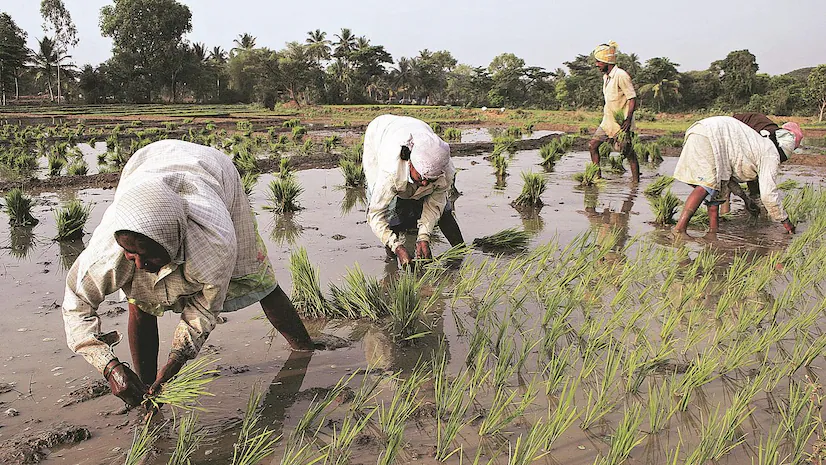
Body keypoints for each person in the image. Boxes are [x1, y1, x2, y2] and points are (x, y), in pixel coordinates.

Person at [62, 140, 317, 409]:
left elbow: (204, 311)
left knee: (256, 277)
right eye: (130, 253)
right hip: (145, 170)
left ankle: (305, 349)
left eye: (148, 256)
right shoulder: (108, 253)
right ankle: (147, 389)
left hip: (213, 174)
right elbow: (75, 306)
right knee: (141, 300)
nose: (139, 264)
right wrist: (109, 366)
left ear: (172, 241)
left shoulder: (214, 243)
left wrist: (175, 361)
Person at [363, 114, 464, 267]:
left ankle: (461, 254)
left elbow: (434, 204)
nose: (424, 183)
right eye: (422, 177)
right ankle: (394, 256)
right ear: (410, 163)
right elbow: (376, 214)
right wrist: (397, 246)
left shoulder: (445, 170)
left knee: (444, 211)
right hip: (380, 135)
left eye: (430, 180)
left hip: (416, 128)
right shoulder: (390, 170)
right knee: (392, 213)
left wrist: (424, 236)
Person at [672, 116, 802, 234]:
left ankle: (713, 232)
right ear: (783, 153)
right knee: (707, 184)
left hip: (699, 129)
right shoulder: (770, 154)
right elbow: (768, 195)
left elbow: (728, 181)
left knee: (717, 189)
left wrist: (746, 200)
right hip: (711, 135)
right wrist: (786, 221)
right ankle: (679, 229)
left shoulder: (758, 144)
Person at [588, 41, 640, 182]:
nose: (597, 65)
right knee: (592, 145)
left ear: (606, 61)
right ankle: (597, 177)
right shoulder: (606, 77)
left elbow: (632, 98)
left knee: (627, 152)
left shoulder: (621, 75)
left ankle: (635, 182)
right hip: (607, 121)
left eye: (599, 62)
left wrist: (628, 120)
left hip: (620, 123)